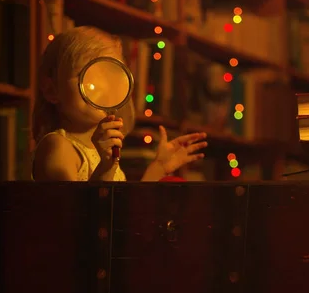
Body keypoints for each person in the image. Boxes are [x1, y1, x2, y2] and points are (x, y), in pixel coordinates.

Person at [32, 26, 208, 182]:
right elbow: (78, 214)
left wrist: (158, 168)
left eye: (110, 74)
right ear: (51, 90)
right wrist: (106, 168)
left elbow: (120, 211)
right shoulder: (59, 146)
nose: (102, 86)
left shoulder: (101, 150)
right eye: (86, 75)